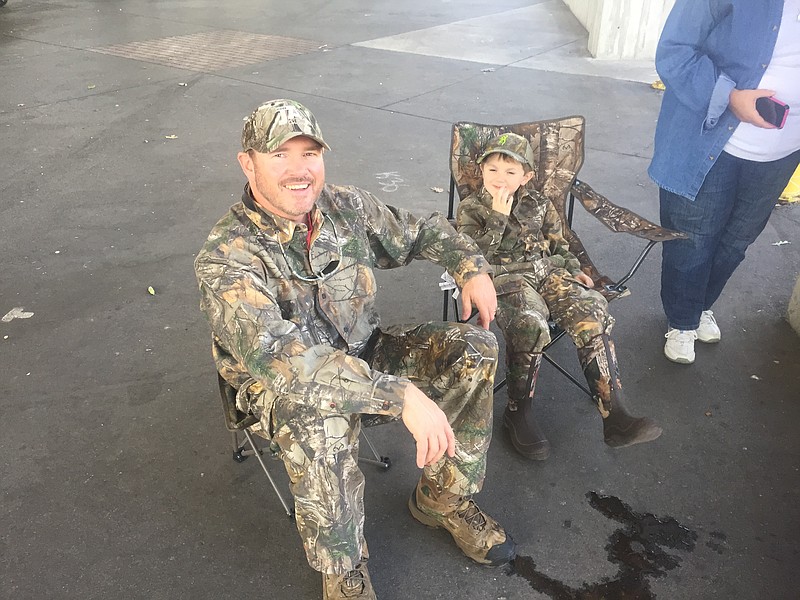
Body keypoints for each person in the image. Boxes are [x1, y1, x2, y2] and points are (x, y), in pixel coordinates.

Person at [194, 99, 516, 600]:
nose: (300, 170)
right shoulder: (226, 256)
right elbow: (287, 363)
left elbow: (424, 229)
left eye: (310, 153)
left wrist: (470, 266)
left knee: (472, 348)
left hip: (365, 353)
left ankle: (443, 499)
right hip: (278, 392)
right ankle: (342, 567)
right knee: (321, 418)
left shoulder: (346, 208)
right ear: (248, 163)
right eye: (280, 154)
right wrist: (401, 395)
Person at [456, 132, 662, 461]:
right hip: (506, 279)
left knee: (592, 307)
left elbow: (559, 243)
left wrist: (573, 267)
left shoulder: (538, 203)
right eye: (492, 170)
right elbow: (470, 257)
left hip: (549, 271)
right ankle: (518, 412)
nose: (500, 179)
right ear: (481, 171)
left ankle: (615, 413)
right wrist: (496, 216)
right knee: (530, 324)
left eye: (510, 172)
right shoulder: (471, 208)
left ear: (526, 176)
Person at [649, 0, 800, 364]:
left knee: (737, 240)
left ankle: (700, 305)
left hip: (781, 151)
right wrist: (729, 98)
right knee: (693, 238)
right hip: (710, 136)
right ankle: (681, 320)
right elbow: (675, 51)